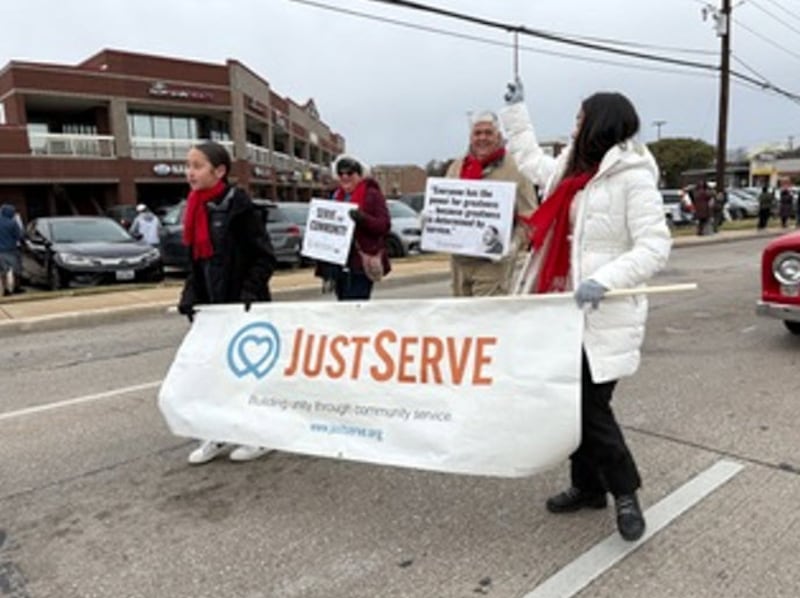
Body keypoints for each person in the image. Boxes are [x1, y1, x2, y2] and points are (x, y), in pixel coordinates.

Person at [500, 78, 671, 542]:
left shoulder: (632, 177)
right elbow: (533, 163)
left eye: (580, 117)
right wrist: (517, 114)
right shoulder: (570, 169)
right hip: (558, 307)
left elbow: (656, 246)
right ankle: (588, 487)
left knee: (588, 409)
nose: (574, 124)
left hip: (603, 312)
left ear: (599, 123)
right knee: (570, 402)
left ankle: (626, 493)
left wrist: (605, 279)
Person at [176, 141, 277, 465]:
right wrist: (190, 296)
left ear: (218, 171)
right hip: (212, 309)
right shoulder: (195, 208)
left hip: (242, 307)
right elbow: (197, 262)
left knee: (245, 376)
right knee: (212, 374)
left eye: (197, 165)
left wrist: (248, 293)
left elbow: (264, 257)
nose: (189, 172)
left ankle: (258, 434)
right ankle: (216, 432)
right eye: (187, 165)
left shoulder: (239, 206)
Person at [444, 111, 537, 296]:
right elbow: (445, 208)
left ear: (499, 136)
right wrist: (433, 220)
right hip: (459, 262)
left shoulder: (516, 169)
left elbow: (530, 216)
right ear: (470, 137)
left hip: (493, 263)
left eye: (488, 133)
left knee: (485, 319)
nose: (482, 138)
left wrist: (514, 243)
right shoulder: (457, 168)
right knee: (459, 319)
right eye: (477, 133)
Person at [315, 154, 391, 301]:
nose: (345, 177)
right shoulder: (335, 196)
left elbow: (384, 225)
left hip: (361, 263)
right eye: (341, 173)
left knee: (357, 306)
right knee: (343, 305)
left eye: (350, 173)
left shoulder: (372, 195)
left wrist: (362, 219)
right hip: (339, 264)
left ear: (359, 174)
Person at [0, 203, 22, 296]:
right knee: (16, 270)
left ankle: (5, 289)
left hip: (0, 251)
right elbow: (19, 236)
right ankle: (16, 287)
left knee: (3, 271)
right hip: (12, 250)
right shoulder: (13, 223)